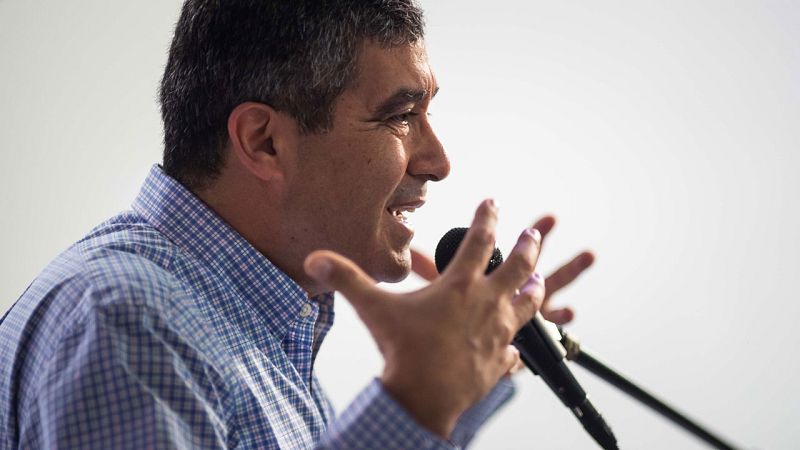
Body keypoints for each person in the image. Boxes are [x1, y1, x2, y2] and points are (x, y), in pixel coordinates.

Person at [0, 1, 593, 448]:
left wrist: (468, 362)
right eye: (400, 116)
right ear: (264, 142)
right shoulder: (134, 324)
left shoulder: (242, 322)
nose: (438, 161)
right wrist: (411, 404)